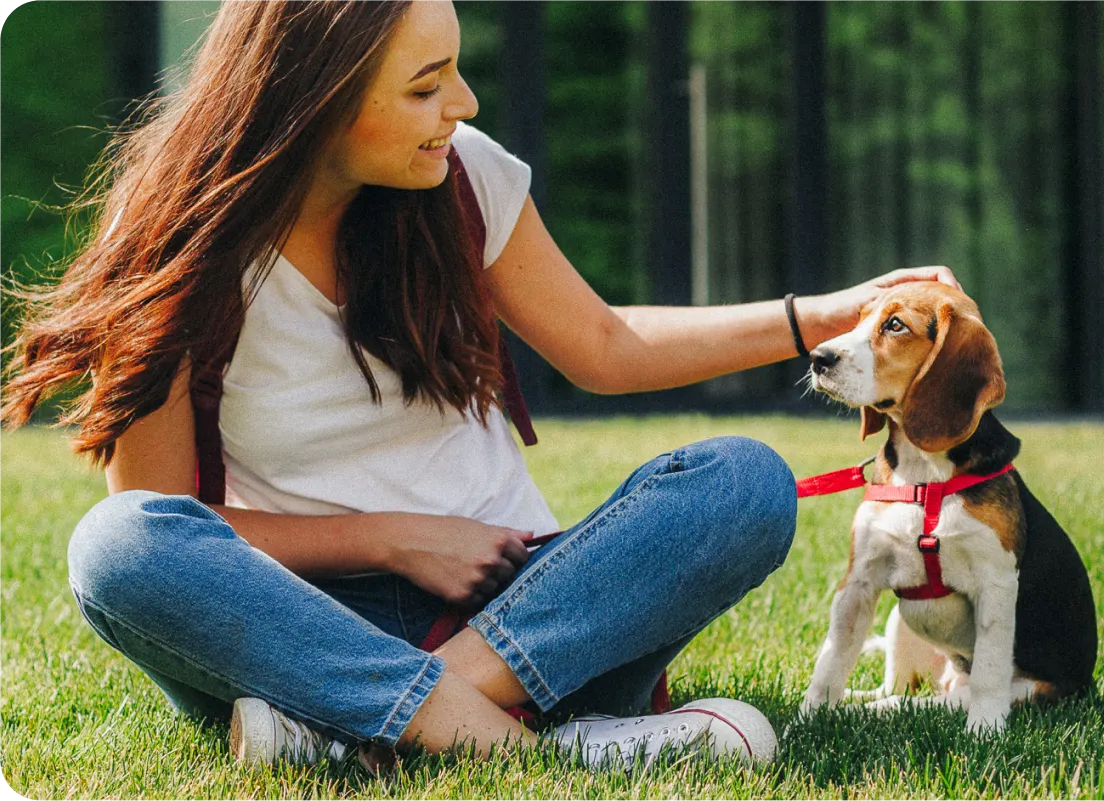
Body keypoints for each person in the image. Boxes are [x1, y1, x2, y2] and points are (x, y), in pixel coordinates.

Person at [0, 0, 960, 773]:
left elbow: (606, 344)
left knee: (741, 482)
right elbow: (172, 521)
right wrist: (389, 538)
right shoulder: (176, 244)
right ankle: (537, 745)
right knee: (116, 545)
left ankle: (362, 730)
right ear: (318, 100)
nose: (460, 103)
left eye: (453, 71)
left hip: (527, 612)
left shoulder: (465, 180)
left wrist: (827, 313)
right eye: (425, 88)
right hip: (296, 621)